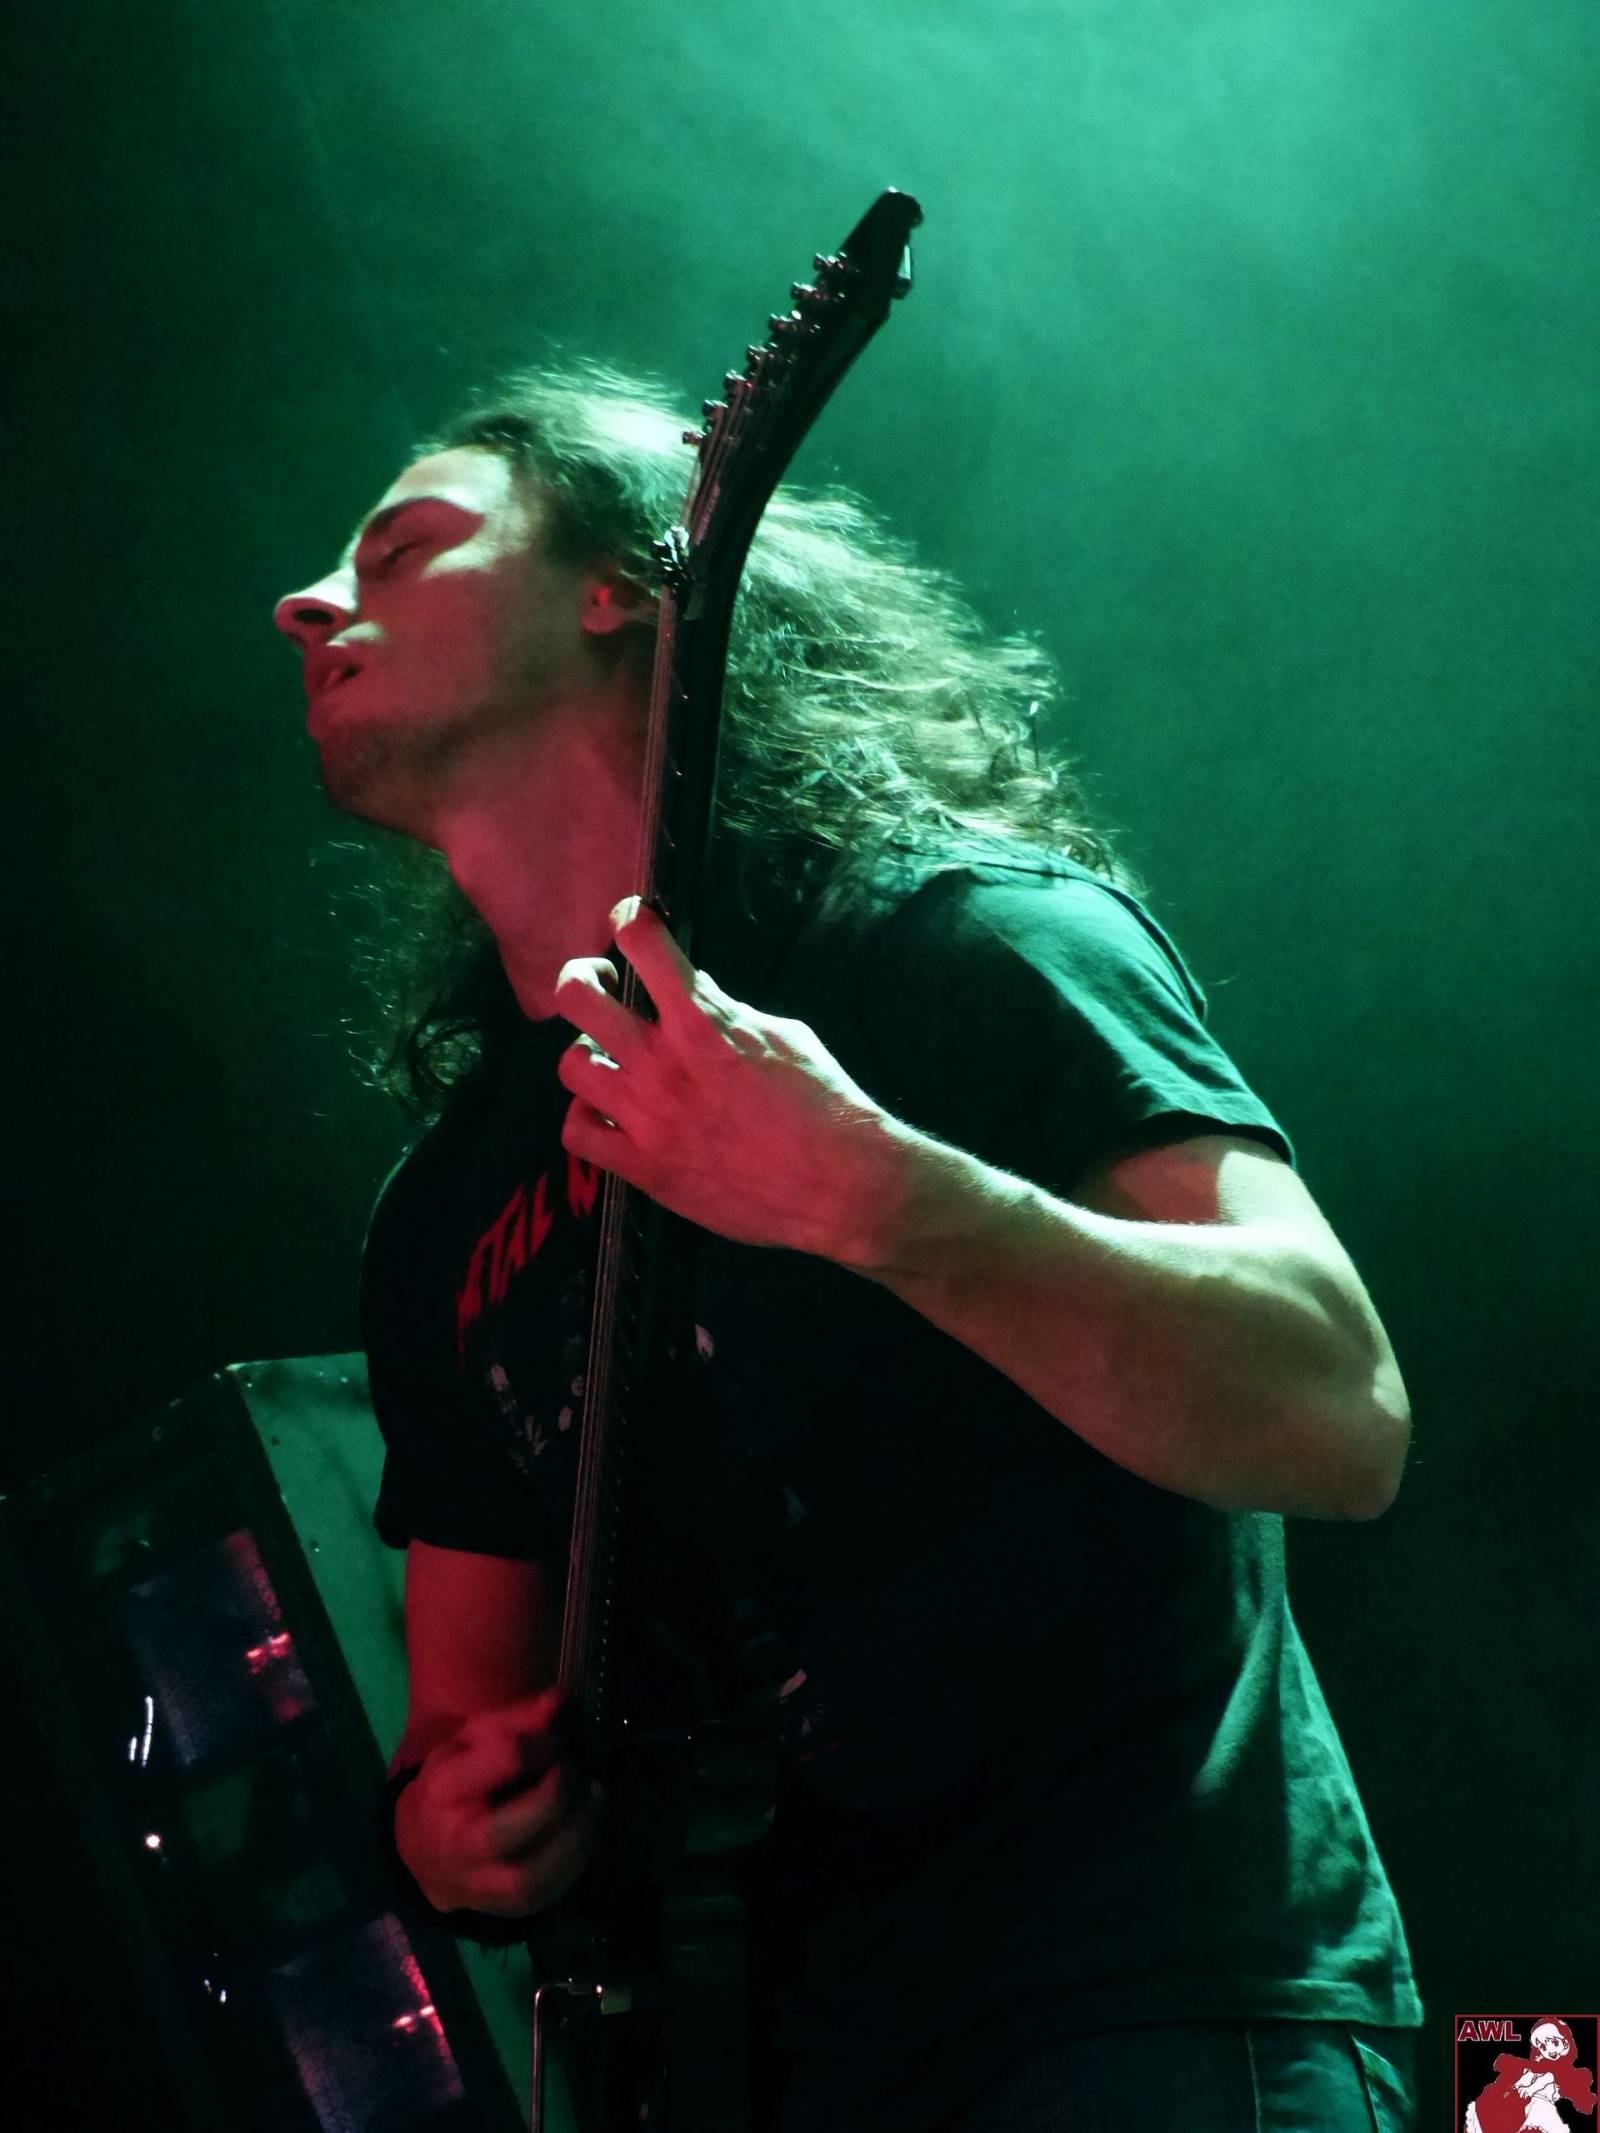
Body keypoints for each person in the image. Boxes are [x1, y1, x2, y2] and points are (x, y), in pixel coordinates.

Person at [274, 361, 1423, 2132]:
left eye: (403, 547)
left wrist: (874, 1192)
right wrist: (452, 1829)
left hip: (1143, 2008)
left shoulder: (950, 937)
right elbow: (459, 1718)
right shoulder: (443, 1219)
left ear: (621, 583)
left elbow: (1341, 1409)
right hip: (770, 2069)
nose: (305, 602)